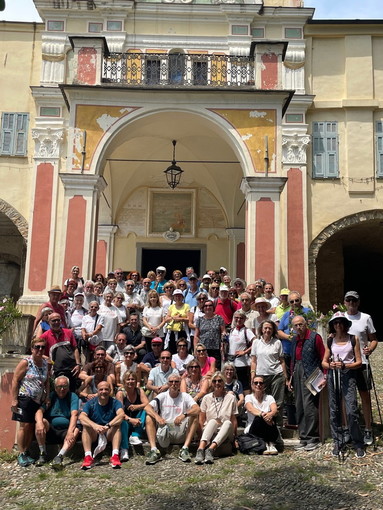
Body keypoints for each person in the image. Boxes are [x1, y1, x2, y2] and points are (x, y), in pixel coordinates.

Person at [322, 312, 365, 458]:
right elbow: (324, 361)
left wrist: (346, 365)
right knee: (334, 410)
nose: (338, 325)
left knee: (351, 410)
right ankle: (338, 440)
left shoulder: (353, 339)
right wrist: (331, 364)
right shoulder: (330, 340)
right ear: (332, 325)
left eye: (340, 322)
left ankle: (357, 442)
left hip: (348, 376)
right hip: (333, 376)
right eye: (335, 323)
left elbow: (359, 362)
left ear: (345, 324)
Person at [344, 290, 378, 446]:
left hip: (362, 363)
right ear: (345, 302)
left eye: (354, 300)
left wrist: (370, 349)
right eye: (348, 300)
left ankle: (368, 428)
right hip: (346, 363)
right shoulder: (340, 318)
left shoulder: (366, 318)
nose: (351, 303)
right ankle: (348, 428)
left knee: (364, 396)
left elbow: (374, 340)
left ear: (358, 302)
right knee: (346, 398)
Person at [11, 337, 50, 467]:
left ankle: (26, 451)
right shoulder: (26, 362)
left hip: (37, 400)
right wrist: (14, 399)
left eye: (42, 347)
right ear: (32, 349)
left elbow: (47, 381)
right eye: (37, 347)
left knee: (31, 426)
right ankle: (21, 453)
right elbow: (15, 380)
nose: (40, 349)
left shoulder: (45, 363)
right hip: (25, 398)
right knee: (24, 426)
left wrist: (47, 395)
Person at [144, 374, 200, 464]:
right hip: (165, 432)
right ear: (168, 384)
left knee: (194, 416)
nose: (174, 384)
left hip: (180, 431)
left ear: (180, 383)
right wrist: (157, 417)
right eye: (171, 382)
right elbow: (147, 407)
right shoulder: (162, 396)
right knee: (149, 417)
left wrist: (184, 415)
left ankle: (185, 449)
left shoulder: (185, 396)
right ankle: (154, 450)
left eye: (176, 382)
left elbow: (197, 409)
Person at [289, 316, 325, 451]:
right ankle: (303, 437)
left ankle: (312, 438)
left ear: (306, 324)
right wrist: (291, 377)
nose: (299, 327)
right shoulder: (294, 339)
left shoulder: (315, 337)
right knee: (299, 405)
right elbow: (293, 359)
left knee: (309, 405)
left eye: (301, 324)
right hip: (298, 371)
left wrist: (325, 375)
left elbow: (323, 356)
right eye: (296, 326)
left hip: (312, 373)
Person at [34, 375, 80, 469]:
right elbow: (39, 411)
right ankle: (42, 453)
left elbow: (74, 414)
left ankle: (59, 456)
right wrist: (39, 422)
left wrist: (70, 432)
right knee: (41, 422)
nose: (62, 389)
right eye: (59, 386)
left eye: (65, 386)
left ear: (68, 387)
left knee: (75, 430)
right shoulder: (51, 396)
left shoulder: (72, 396)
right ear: (55, 387)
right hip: (51, 428)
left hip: (65, 430)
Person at [79, 381, 125, 469]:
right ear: (97, 390)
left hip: (108, 431)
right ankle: (88, 456)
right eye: (101, 389)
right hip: (95, 432)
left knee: (117, 426)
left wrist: (108, 426)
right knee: (86, 426)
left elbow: (121, 415)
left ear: (110, 390)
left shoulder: (115, 402)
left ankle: (115, 455)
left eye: (106, 389)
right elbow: (81, 417)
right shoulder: (91, 403)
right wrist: (95, 426)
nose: (103, 391)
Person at [195, 371, 238, 464]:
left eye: (219, 381)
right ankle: (201, 449)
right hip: (210, 429)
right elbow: (201, 419)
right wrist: (200, 435)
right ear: (212, 383)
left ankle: (210, 449)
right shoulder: (206, 398)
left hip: (226, 429)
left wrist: (235, 438)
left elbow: (233, 419)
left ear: (223, 382)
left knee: (227, 423)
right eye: (214, 381)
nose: (217, 383)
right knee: (212, 421)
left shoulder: (231, 398)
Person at [250, 320, 287, 424]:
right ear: (261, 329)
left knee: (277, 401)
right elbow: (253, 361)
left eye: (270, 328)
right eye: (265, 328)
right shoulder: (256, 342)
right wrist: (253, 375)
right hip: (261, 375)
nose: (267, 330)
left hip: (276, 374)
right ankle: (264, 425)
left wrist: (285, 377)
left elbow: (282, 361)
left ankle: (277, 426)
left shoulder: (277, 342)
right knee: (263, 401)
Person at [41, 313, 81, 392]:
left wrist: (78, 364)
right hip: (56, 371)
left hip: (71, 369)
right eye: (53, 321)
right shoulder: (44, 336)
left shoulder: (68, 333)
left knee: (71, 392)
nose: (56, 322)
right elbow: (37, 351)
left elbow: (75, 349)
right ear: (49, 322)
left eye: (58, 320)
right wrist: (48, 359)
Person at [278, 291, 312, 378]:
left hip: (303, 350)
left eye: (296, 300)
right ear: (289, 303)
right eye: (292, 301)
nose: (294, 303)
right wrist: (288, 337)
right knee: (290, 377)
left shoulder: (308, 312)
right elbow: (279, 331)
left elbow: (313, 328)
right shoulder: (286, 315)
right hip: (288, 351)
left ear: (300, 301)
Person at [116, 371, 149, 459]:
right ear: (124, 381)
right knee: (122, 421)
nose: (130, 381)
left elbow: (147, 403)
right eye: (128, 379)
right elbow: (120, 413)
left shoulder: (139, 390)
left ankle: (135, 435)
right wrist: (130, 420)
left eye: (133, 379)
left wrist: (137, 406)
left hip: (138, 420)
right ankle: (124, 449)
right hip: (126, 420)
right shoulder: (121, 393)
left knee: (146, 410)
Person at [244, 375, 280, 455]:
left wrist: (270, 414)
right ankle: (266, 444)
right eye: (256, 383)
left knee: (272, 416)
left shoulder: (269, 397)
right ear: (252, 385)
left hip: (268, 426)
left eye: (261, 383)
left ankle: (270, 443)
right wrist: (263, 415)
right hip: (254, 429)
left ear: (264, 385)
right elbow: (250, 408)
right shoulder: (248, 397)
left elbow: (274, 409)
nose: (258, 385)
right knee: (258, 418)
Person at [227, 310, 255, 392]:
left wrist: (245, 352)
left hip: (243, 363)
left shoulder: (247, 331)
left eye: (241, 318)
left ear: (244, 319)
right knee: (233, 384)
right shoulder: (232, 330)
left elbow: (256, 342)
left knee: (244, 385)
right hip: (232, 363)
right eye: (236, 318)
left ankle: (246, 402)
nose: (238, 320)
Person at [194, 299, 225, 368]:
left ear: (213, 307)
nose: (208, 307)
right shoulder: (199, 320)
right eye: (206, 306)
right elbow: (196, 335)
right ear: (203, 308)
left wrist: (223, 344)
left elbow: (223, 332)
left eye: (210, 305)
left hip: (216, 348)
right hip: (203, 350)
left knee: (215, 368)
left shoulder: (219, 318)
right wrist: (195, 349)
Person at [164, 289, 190, 353]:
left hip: (182, 331)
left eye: (179, 296)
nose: (178, 297)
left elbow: (188, 319)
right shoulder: (171, 307)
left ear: (182, 297)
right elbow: (166, 319)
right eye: (176, 296)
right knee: (172, 349)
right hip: (172, 331)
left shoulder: (186, 306)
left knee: (183, 349)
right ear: (174, 297)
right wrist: (174, 317)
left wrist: (180, 319)